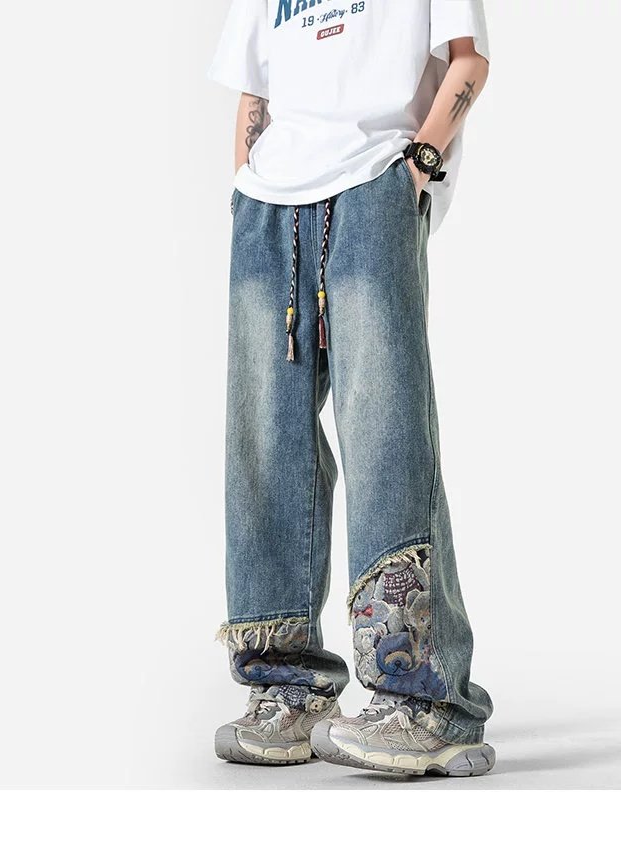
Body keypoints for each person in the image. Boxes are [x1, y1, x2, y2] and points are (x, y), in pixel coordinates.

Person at [208, 0, 494, 777]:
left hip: (374, 186)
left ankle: (426, 702)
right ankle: (288, 686)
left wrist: (417, 170)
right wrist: (245, 187)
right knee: (265, 442)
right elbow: (253, 89)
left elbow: (468, 60)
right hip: (269, 206)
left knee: (385, 429)